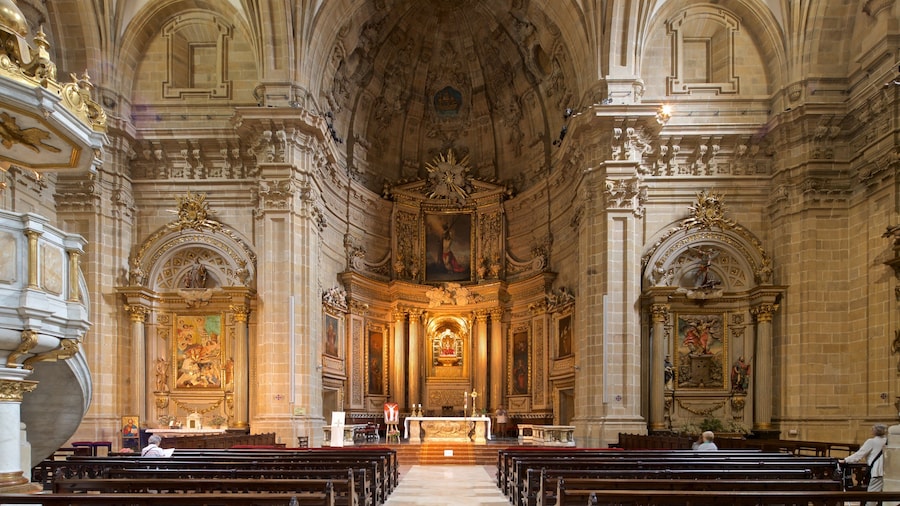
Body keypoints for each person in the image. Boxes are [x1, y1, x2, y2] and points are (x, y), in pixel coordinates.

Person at [840, 423, 887, 499]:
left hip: (877, 471)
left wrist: (845, 460)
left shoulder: (871, 441)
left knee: (872, 497)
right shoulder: (887, 441)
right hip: (887, 471)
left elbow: (859, 454)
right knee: (884, 497)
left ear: (875, 431)